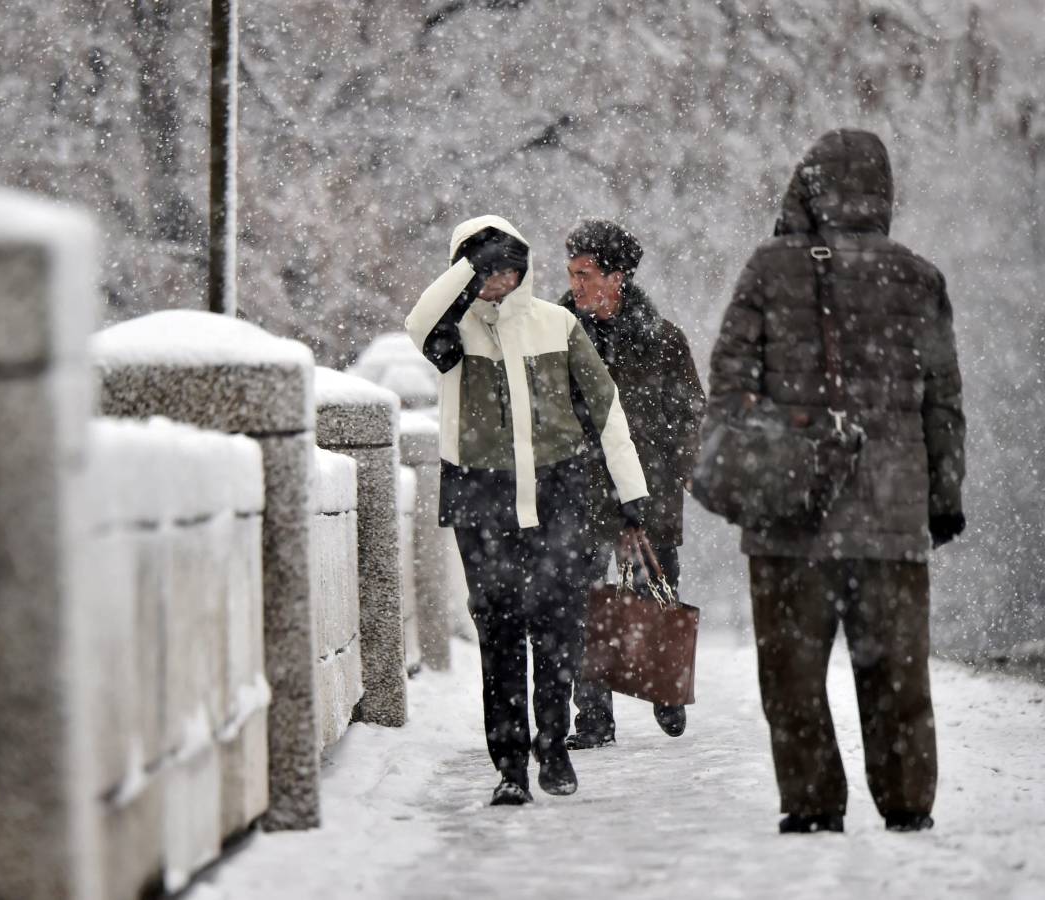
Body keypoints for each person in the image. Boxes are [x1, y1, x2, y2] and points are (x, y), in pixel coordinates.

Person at [706, 129, 966, 834]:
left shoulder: (769, 269)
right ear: (883, 193)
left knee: (791, 675)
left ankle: (814, 800)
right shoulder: (919, 278)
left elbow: (729, 383)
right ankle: (908, 800)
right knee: (897, 675)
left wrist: (764, 453)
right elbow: (941, 403)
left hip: (790, 516)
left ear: (808, 185)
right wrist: (941, 500)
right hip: (892, 513)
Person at [405, 215, 653, 806]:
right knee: (500, 632)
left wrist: (631, 495)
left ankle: (553, 741)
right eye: (487, 273)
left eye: (509, 270)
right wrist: (471, 266)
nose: (499, 282)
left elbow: (607, 408)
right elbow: (416, 324)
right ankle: (510, 763)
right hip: (480, 502)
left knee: (558, 624)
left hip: (558, 497)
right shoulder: (454, 335)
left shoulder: (557, 323)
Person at [558, 219, 706, 748]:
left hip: (651, 487)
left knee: (655, 594)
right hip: (579, 487)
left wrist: (689, 468)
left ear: (618, 277)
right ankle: (593, 719)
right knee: (582, 601)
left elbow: (691, 411)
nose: (576, 285)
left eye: (587, 274)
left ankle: (665, 687)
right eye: (572, 273)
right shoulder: (558, 335)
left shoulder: (663, 340)